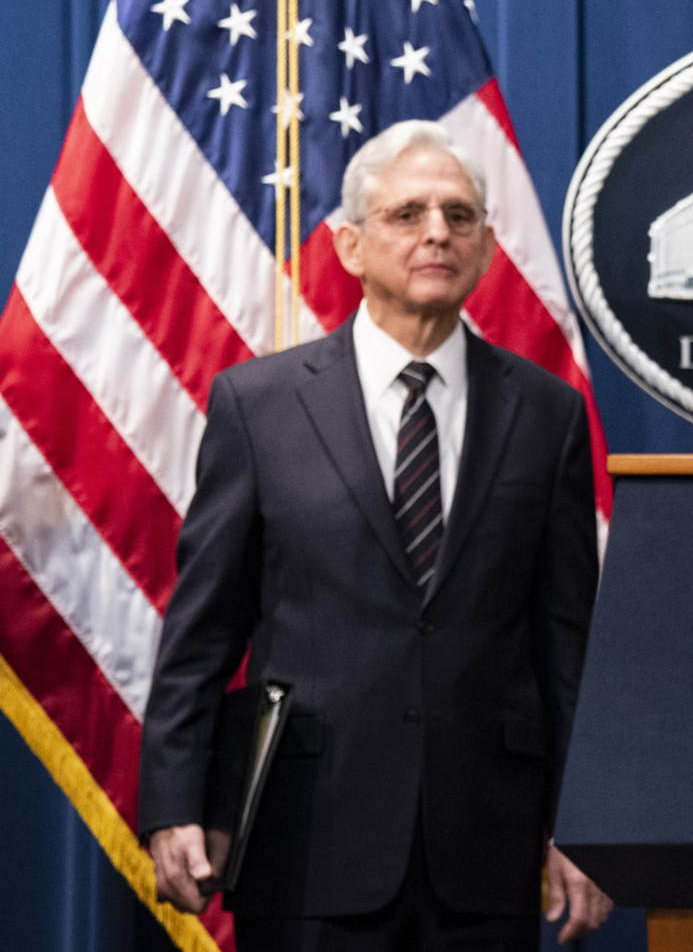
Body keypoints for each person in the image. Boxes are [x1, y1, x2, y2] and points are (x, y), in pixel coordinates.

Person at [138, 121, 613, 949]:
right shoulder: (259, 406)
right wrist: (174, 804)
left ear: (489, 248)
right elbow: (201, 632)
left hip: (485, 850)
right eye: (409, 214)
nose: (438, 232)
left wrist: (585, 822)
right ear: (350, 245)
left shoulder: (549, 414)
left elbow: (564, 646)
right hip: (307, 841)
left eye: (460, 216)